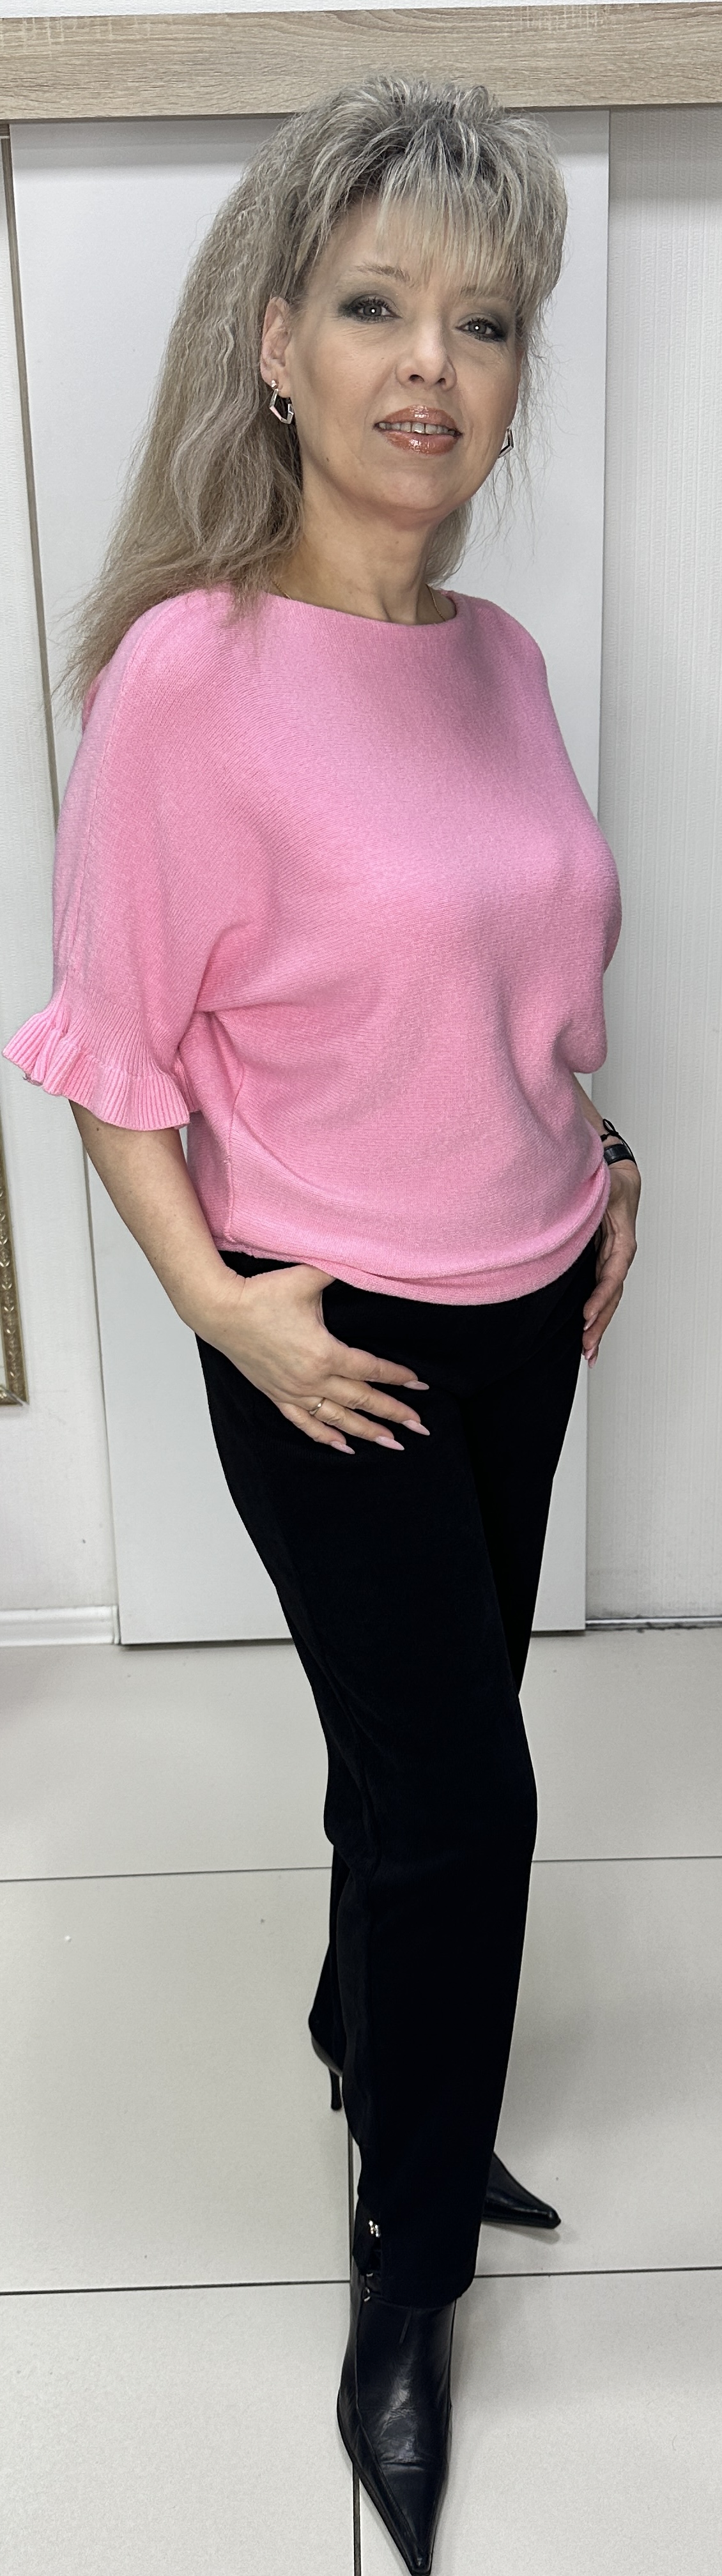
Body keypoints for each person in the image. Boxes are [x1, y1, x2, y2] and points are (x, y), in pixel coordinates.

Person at [4, 73, 641, 2574]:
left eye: (481, 324)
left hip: (521, 1304)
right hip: (331, 1342)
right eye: (375, 307)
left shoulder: (499, 660)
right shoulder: (193, 673)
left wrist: (604, 1164)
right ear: (275, 344)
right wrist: (220, 1311)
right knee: (467, 1792)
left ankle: (364, 2026)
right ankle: (406, 2270)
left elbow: (508, 988)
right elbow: (110, 1055)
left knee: (416, 1752)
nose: (429, 367)